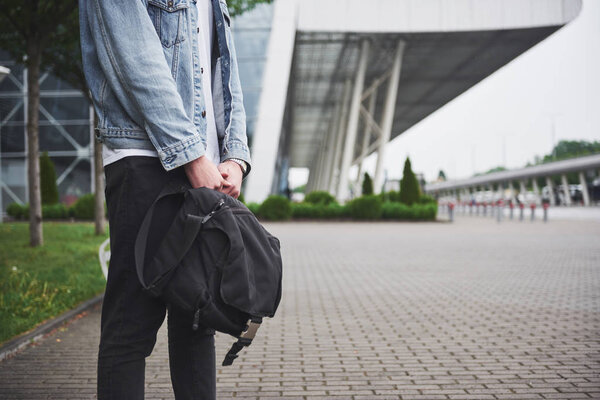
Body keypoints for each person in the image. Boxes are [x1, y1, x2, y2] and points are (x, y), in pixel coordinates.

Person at [79, 0, 251, 398]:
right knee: (132, 324)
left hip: (207, 170)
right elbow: (133, 55)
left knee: (197, 318)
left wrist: (235, 157)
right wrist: (191, 154)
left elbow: (226, 72)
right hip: (144, 158)